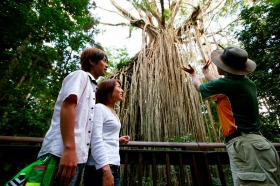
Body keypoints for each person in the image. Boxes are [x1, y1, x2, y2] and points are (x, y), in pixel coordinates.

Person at [181, 46, 280, 185]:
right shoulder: (248, 84)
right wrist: (206, 72)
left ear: (226, 67)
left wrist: (193, 74)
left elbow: (199, 87)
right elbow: (220, 85)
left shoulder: (225, 85)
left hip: (246, 146)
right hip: (259, 144)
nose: (217, 65)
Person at [37, 47, 108, 185]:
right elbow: (68, 106)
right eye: (104, 61)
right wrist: (69, 149)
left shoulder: (92, 88)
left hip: (76, 158)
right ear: (92, 61)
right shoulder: (80, 75)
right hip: (60, 155)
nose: (107, 65)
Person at [84, 79, 130, 186]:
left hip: (112, 165)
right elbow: (95, 139)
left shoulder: (112, 111)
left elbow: (103, 136)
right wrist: (105, 169)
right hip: (101, 167)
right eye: (118, 87)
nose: (122, 90)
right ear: (108, 91)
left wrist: (117, 140)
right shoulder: (99, 108)